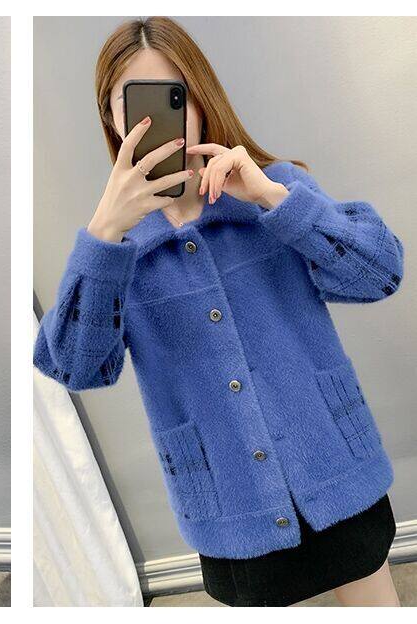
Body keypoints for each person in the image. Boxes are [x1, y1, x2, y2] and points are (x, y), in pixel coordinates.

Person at [34, 16, 403, 606]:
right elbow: (78, 368)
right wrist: (103, 235)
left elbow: (379, 272)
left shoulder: (273, 195)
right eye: (134, 103)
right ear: (111, 119)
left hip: (336, 464)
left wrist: (271, 198)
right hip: (230, 500)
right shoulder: (116, 252)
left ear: (201, 101)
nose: (157, 120)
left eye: (173, 96)